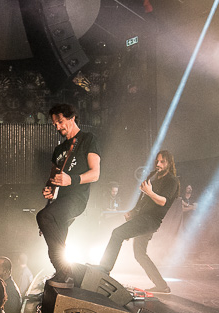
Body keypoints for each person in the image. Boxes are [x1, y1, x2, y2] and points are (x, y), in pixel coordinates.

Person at [36, 103, 101, 283]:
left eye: (60, 121)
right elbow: (52, 179)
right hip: (60, 201)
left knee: (43, 217)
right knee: (57, 239)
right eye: (54, 124)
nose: (57, 127)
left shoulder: (88, 139)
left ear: (72, 118)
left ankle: (65, 270)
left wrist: (71, 180)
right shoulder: (59, 150)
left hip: (76, 198)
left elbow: (95, 174)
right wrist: (49, 189)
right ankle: (63, 275)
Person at [99, 150, 180, 294]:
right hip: (143, 218)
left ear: (169, 163)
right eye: (157, 161)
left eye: (162, 161)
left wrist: (149, 192)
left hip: (150, 220)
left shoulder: (172, 181)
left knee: (117, 233)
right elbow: (145, 202)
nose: (158, 164)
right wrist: (133, 211)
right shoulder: (154, 179)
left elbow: (163, 201)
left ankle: (104, 270)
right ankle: (162, 285)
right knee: (139, 254)